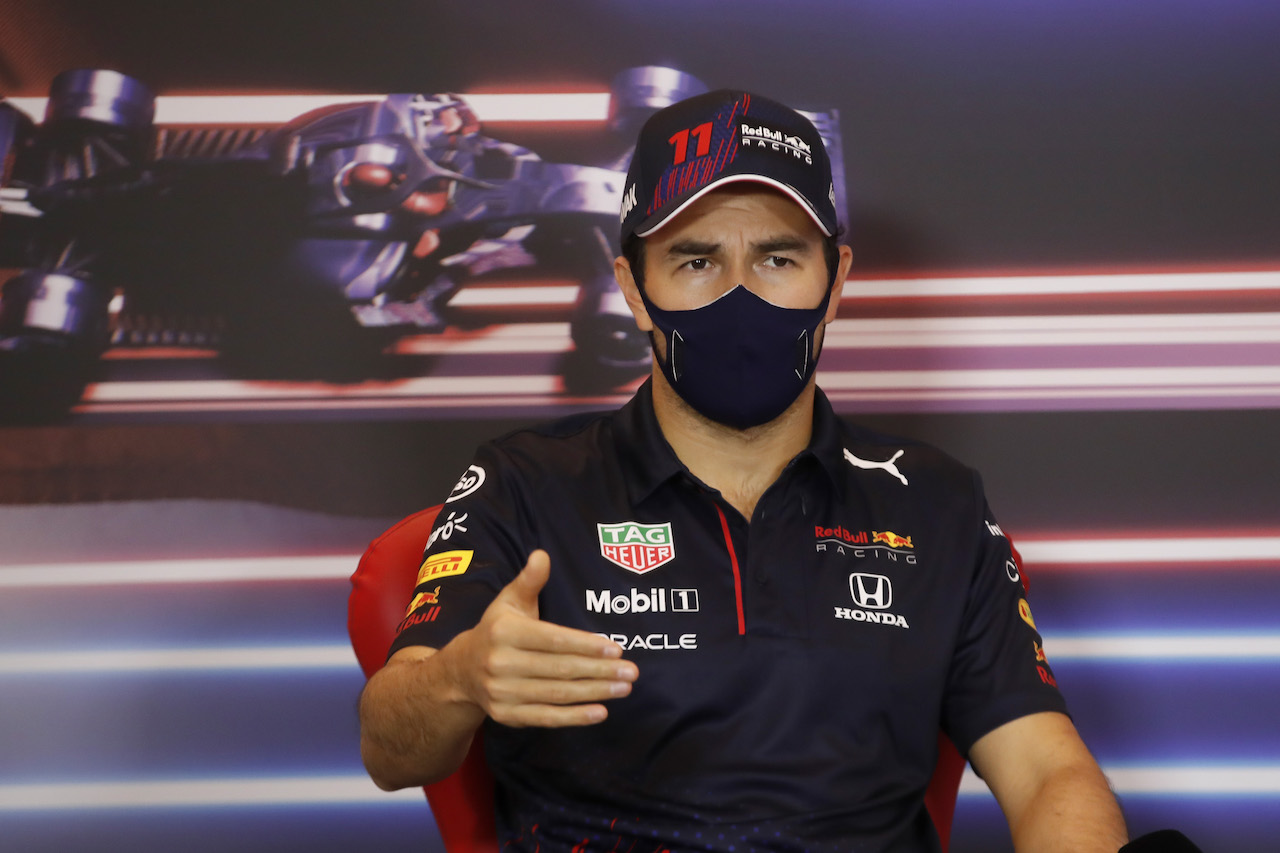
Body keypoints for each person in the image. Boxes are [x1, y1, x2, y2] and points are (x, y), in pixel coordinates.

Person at [359, 89, 1129, 853]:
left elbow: (1046, 771)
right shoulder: (524, 480)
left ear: (835, 283)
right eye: (696, 259)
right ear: (632, 287)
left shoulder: (936, 500)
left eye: (778, 257)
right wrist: (462, 677)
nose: (739, 295)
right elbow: (392, 749)